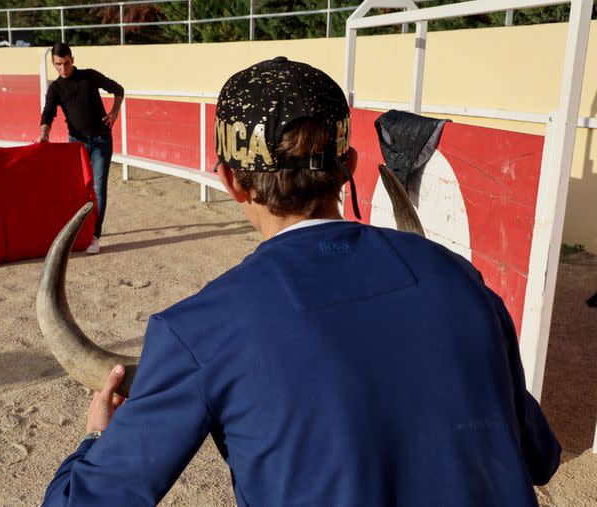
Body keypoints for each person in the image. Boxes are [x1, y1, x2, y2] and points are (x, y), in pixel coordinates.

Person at [42, 57, 560, 506]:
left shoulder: (199, 331)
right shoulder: (459, 280)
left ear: (230, 181)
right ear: (348, 167)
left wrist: (94, 440)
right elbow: (539, 458)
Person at [38, 42, 124, 254]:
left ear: (72, 59)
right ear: (53, 63)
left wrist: (114, 112)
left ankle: (95, 235)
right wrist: (44, 134)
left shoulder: (89, 76)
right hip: (76, 144)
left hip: (102, 139)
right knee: (78, 191)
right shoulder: (56, 88)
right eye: (58, 65)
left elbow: (118, 89)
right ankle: (80, 231)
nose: (63, 69)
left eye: (66, 63)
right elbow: (48, 113)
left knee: (98, 188)